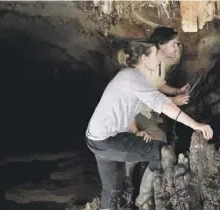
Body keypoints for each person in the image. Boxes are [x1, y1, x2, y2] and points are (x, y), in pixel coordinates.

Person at [85, 40, 213, 210]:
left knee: (113, 190)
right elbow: (165, 106)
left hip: (98, 137)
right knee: (160, 153)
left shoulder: (127, 75)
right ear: (144, 59)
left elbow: (125, 110)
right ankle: (144, 202)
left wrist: (134, 132)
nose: (159, 57)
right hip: (106, 139)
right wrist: (196, 125)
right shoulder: (134, 78)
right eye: (155, 54)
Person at [126, 26, 191, 210]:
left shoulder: (160, 63)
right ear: (161, 45)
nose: (177, 48)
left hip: (146, 112)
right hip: (134, 112)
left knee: (155, 144)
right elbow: (146, 94)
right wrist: (172, 101)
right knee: (160, 142)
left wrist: (176, 91)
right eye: (174, 44)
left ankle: (132, 187)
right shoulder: (146, 64)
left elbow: (159, 84)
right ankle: (142, 199)